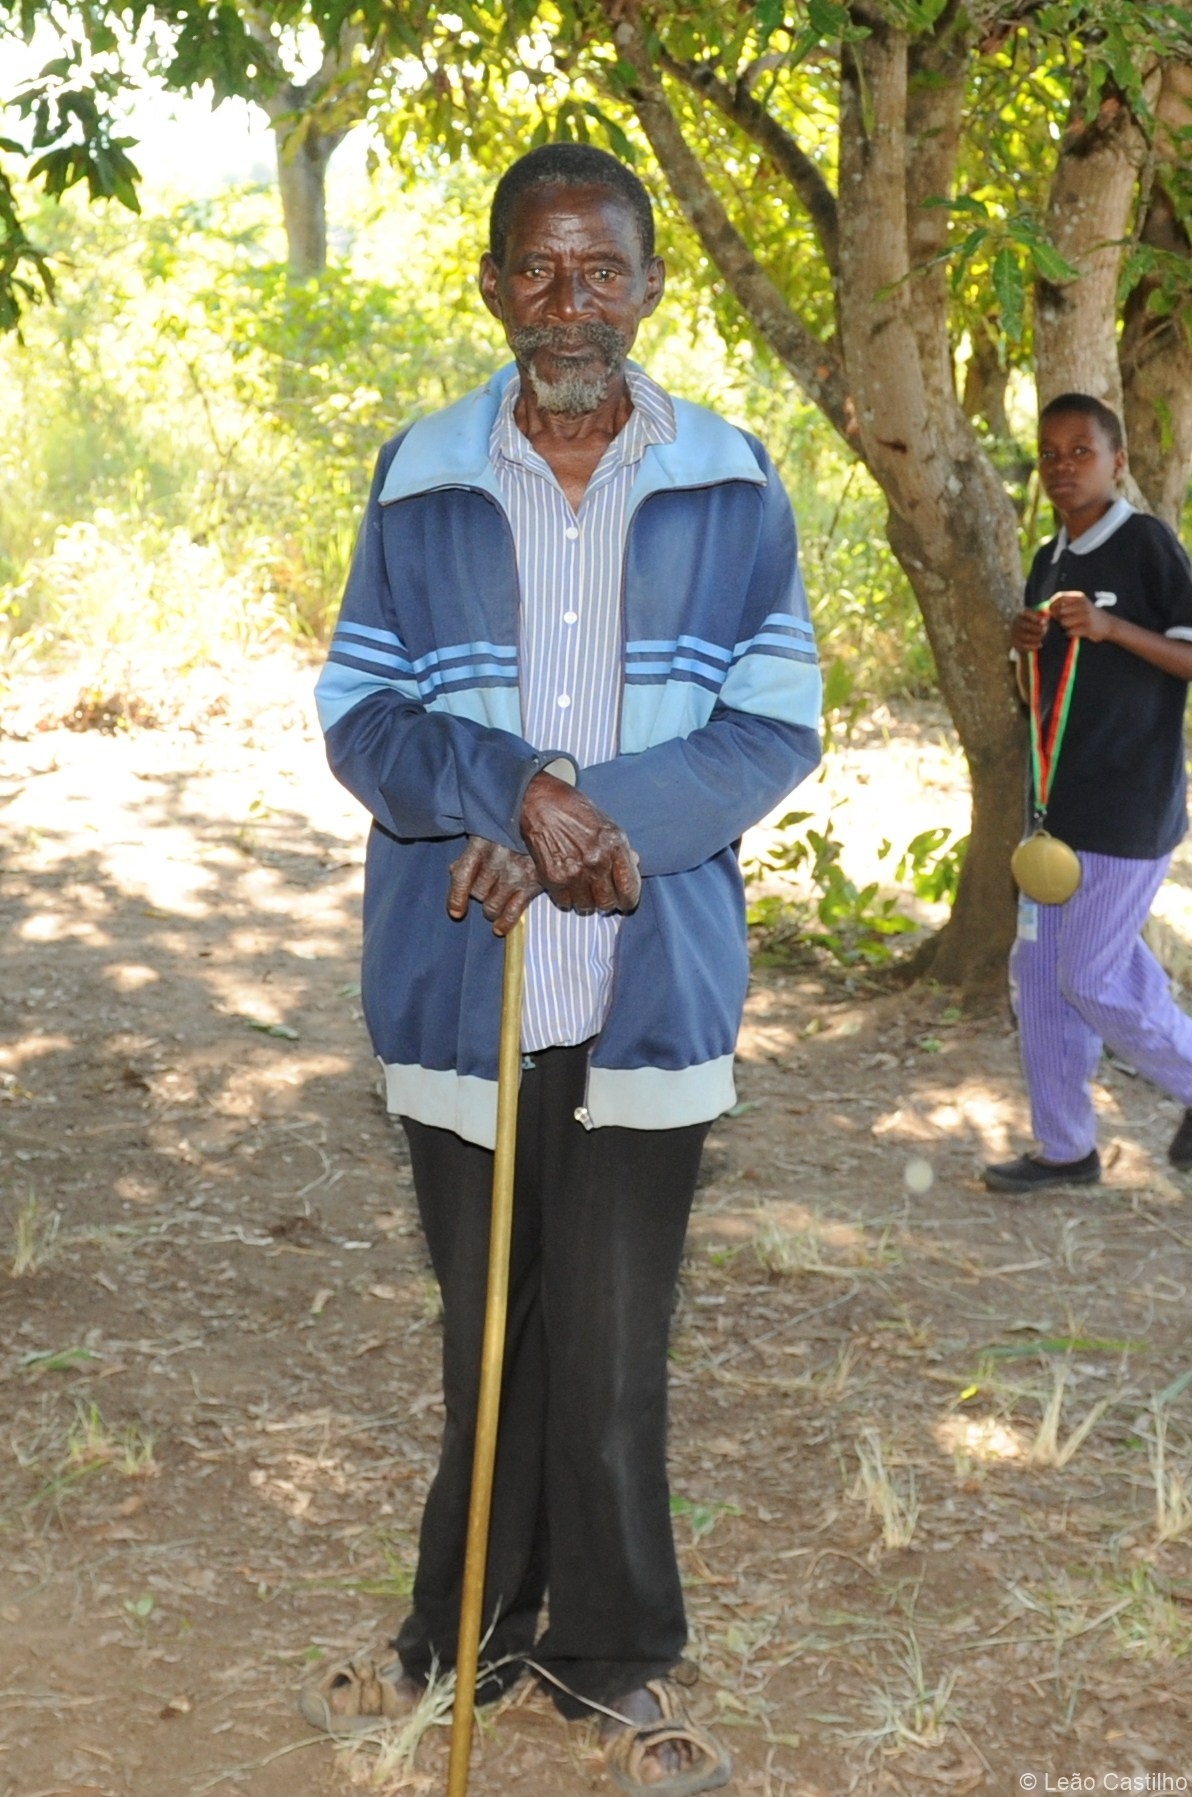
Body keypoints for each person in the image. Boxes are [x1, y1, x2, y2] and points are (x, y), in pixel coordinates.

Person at [301, 143, 821, 1793]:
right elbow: (362, 715)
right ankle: (464, 1635)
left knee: (608, 1341)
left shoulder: (731, 478)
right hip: (467, 970)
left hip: (649, 969)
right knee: (488, 1333)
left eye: (600, 267)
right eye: (536, 268)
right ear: (489, 284)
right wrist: (503, 791)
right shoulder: (421, 475)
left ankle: (610, 1650)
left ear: (650, 282)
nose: (568, 300)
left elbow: (775, 719)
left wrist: (598, 822)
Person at [983, 392, 1192, 1195]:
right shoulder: (1050, 558)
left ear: (1118, 462)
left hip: (1128, 807)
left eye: (1081, 451)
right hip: (1055, 818)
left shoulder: (1146, 545)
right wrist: (1024, 645)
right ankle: (1066, 1148)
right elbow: (1049, 690)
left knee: (1093, 977)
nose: (1064, 467)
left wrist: (1112, 629)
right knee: (1040, 978)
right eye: (1051, 454)